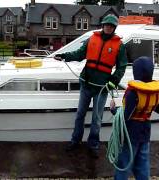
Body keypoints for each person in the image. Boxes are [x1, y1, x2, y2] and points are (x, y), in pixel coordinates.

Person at [54, 14, 128, 158]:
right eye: (106, 24)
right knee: (80, 114)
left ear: (114, 28)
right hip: (86, 84)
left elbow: (121, 67)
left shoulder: (119, 46)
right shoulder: (92, 39)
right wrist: (64, 56)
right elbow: (79, 53)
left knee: (97, 118)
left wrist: (113, 82)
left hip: (102, 88)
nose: (108, 27)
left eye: (111, 26)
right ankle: (75, 140)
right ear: (103, 25)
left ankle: (93, 144)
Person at [110, 56, 159, 180]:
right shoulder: (157, 91)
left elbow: (125, 117)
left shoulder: (133, 92)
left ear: (136, 72)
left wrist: (114, 110)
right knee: (143, 161)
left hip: (131, 131)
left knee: (125, 161)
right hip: (146, 129)